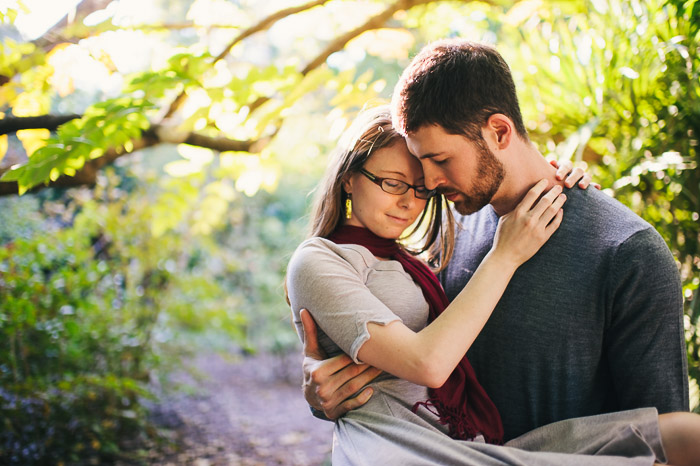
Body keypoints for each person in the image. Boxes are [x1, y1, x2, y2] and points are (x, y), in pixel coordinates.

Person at [299, 39, 691, 456]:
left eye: (440, 160)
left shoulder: (628, 252)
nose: (428, 185)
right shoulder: (454, 225)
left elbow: (656, 441)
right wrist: (324, 386)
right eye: (419, 164)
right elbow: (410, 358)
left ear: (499, 131)